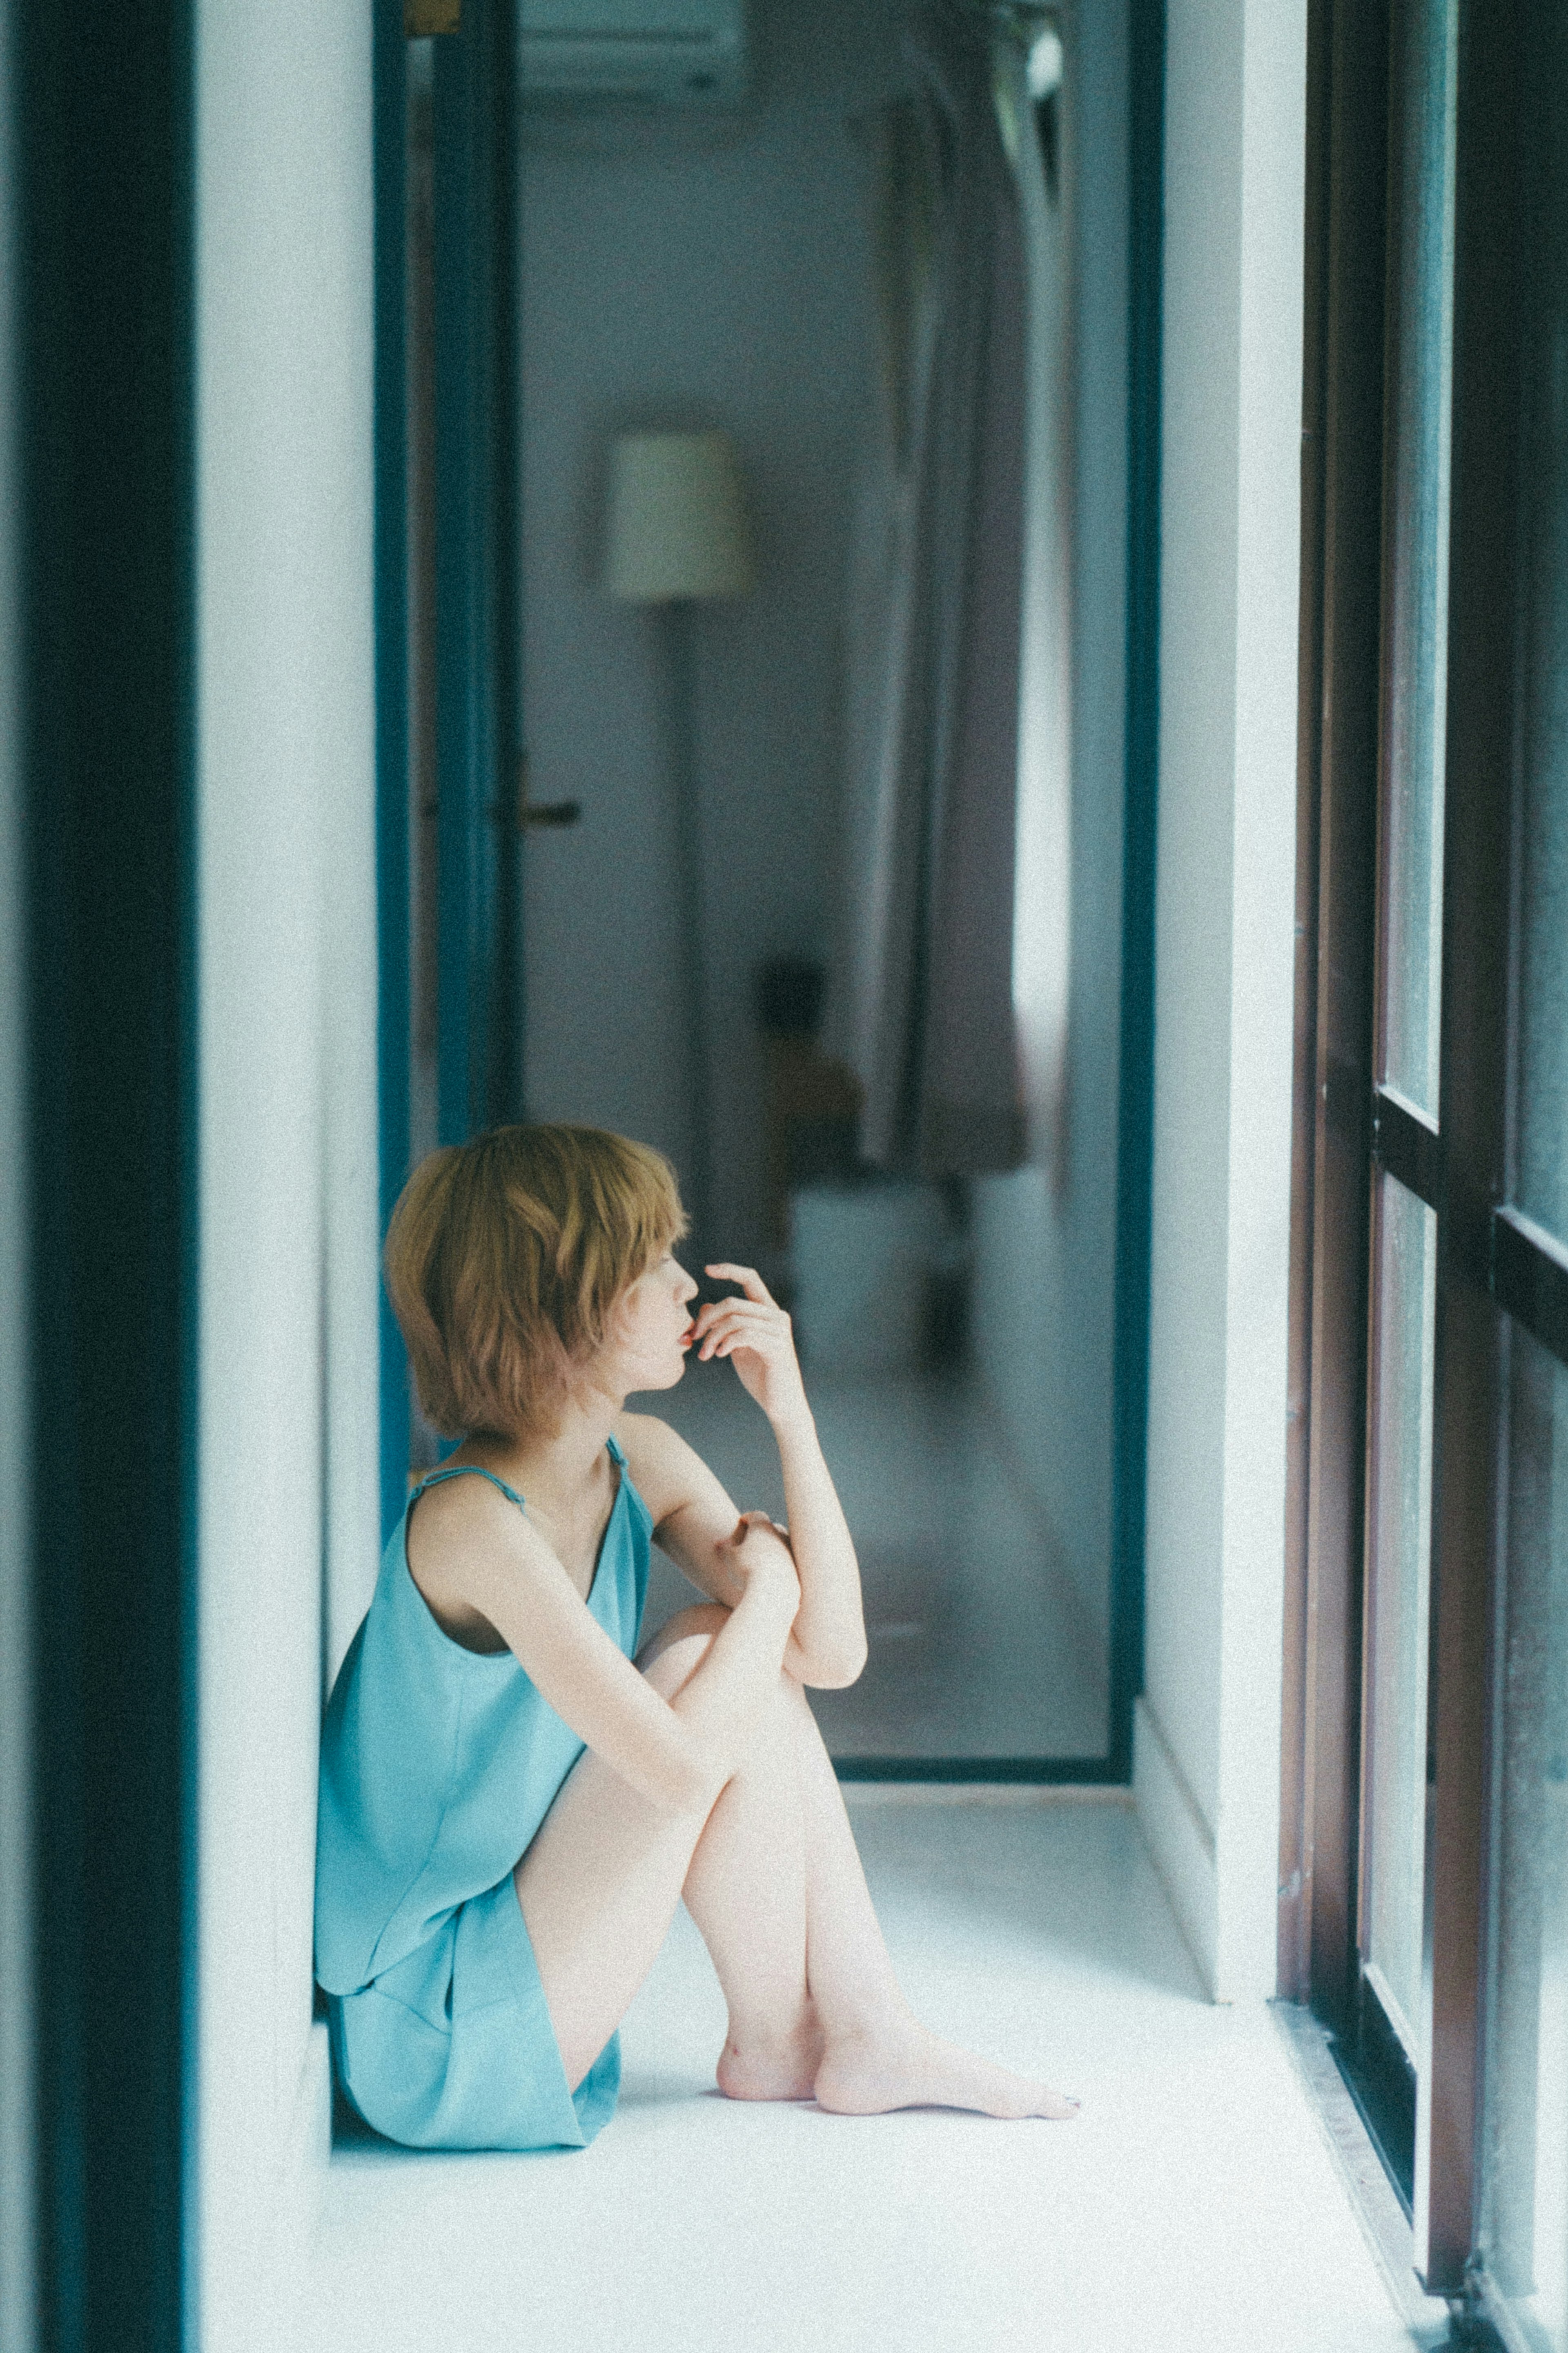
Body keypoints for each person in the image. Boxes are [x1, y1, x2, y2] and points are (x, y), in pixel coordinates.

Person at [314, 1122, 1079, 2150]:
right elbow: (678, 1770)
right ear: (560, 1312)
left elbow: (833, 1654)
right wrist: (765, 1593)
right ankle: (853, 2033)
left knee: (722, 1648)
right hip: (431, 2027)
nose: (688, 1289)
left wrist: (792, 1415)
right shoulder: (469, 1524)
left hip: (516, 1942)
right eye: (651, 1268)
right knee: (718, 1644)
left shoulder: (638, 1455)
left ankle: (825, 2034)